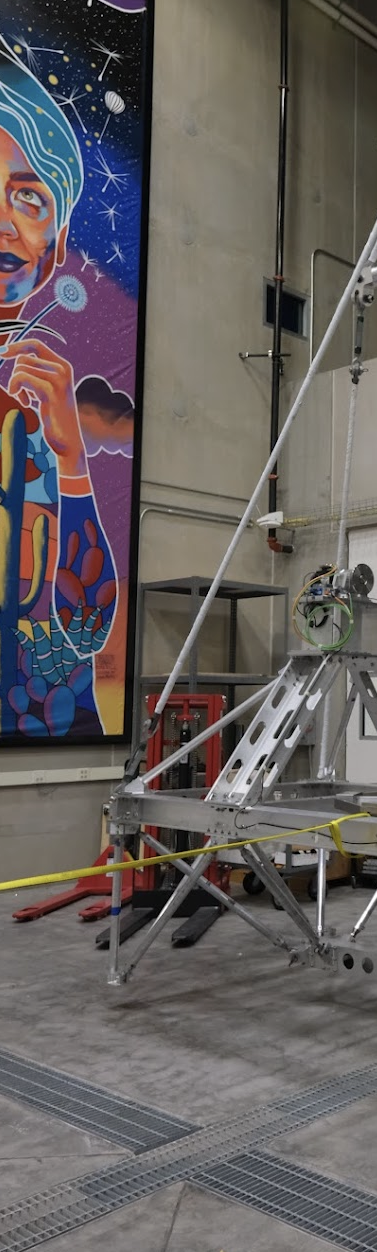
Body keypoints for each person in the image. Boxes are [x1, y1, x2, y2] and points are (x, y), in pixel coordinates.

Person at [0, 39, 118, 738]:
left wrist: (72, 462)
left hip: (47, 726)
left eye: (29, 197)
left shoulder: (48, 396)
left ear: (59, 234)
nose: (6, 222)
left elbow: (85, 630)